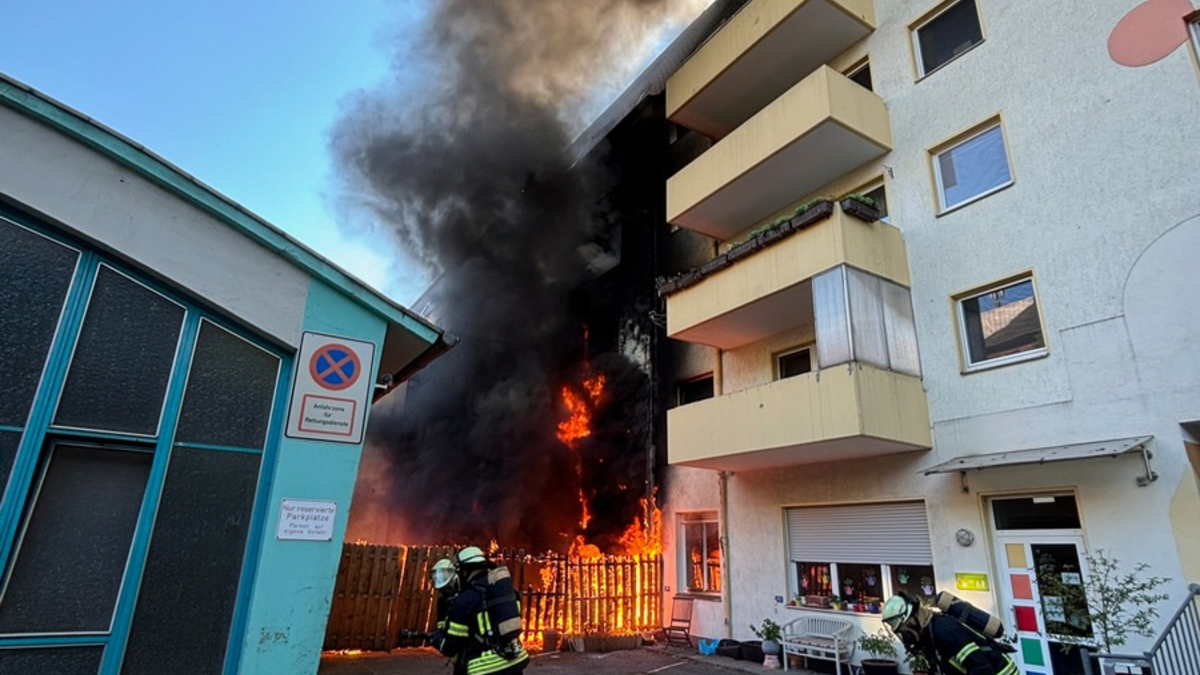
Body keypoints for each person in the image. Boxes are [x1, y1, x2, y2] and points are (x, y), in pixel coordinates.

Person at [431, 546, 529, 675]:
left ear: (464, 571)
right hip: (514, 664)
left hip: (484, 669)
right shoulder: (508, 593)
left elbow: (451, 646)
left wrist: (437, 638)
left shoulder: (465, 600)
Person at [882, 592, 1018, 675]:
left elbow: (981, 667)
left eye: (904, 631)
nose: (905, 636)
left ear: (912, 621)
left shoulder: (944, 630)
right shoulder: (929, 636)